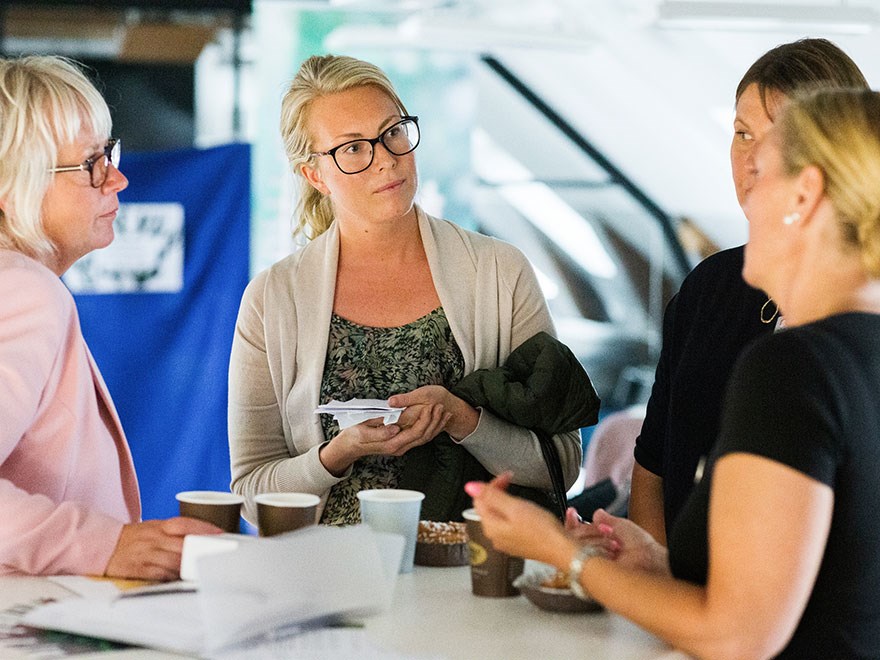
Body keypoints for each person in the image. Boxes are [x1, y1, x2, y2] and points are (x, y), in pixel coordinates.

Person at [470, 88, 880, 659]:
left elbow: (738, 636)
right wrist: (658, 566)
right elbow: (826, 590)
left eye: (761, 172)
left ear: (805, 195)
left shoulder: (793, 368)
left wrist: (561, 553)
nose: (745, 196)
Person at [227, 54, 583, 525]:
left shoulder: (499, 272)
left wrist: (463, 420)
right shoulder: (272, 300)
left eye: (393, 132)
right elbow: (252, 492)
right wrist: (333, 456)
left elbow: (563, 464)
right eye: (353, 148)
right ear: (314, 174)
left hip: (470, 578)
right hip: (323, 578)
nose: (386, 159)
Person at [630, 38, 870, 544]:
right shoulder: (709, 288)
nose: (752, 160)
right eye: (742, 133)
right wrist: (652, 580)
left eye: (779, 137)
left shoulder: (848, 326)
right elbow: (653, 468)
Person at [0, 55, 220, 579]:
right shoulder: (24, 291)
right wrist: (102, 545)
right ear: (11, 188)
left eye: (110, 154)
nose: (117, 179)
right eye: (91, 163)